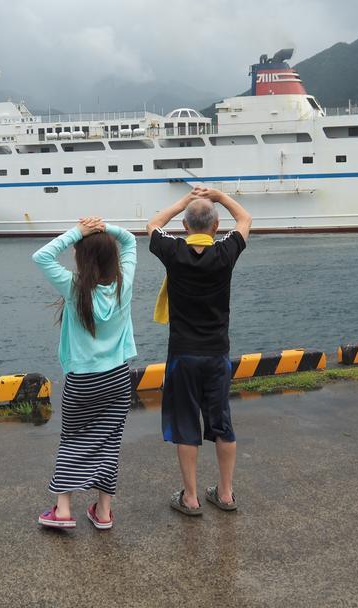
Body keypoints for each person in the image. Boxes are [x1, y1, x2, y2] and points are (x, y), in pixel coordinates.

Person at [146, 186, 252, 516]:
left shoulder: (174, 252)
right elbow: (245, 218)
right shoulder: (225, 255)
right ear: (216, 227)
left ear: (185, 227)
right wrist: (219, 197)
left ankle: (190, 498)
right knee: (222, 423)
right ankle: (226, 493)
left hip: (183, 355)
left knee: (186, 425)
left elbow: (151, 225)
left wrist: (183, 202)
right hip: (217, 353)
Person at [31, 216, 137, 531]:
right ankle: (103, 512)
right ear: (112, 258)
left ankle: (63, 509)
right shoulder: (123, 285)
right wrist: (106, 228)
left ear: (81, 259)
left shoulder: (74, 288)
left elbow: (42, 256)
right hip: (118, 378)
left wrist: (80, 231)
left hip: (83, 381)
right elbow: (130, 240)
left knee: (73, 440)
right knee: (109, 440)